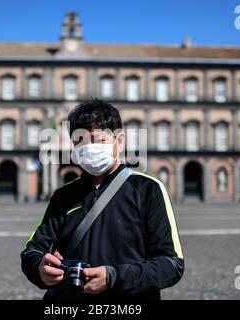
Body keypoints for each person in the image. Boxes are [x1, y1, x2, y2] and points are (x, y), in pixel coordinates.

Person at [20, 98, 184, 301]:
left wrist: (114, 277)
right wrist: (40, 268)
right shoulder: (63, 196)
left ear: (120, 141)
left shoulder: (148, 190)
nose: (88, 149)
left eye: (98, 140)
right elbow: (33, 250)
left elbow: (171, 264)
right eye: (79, 141)